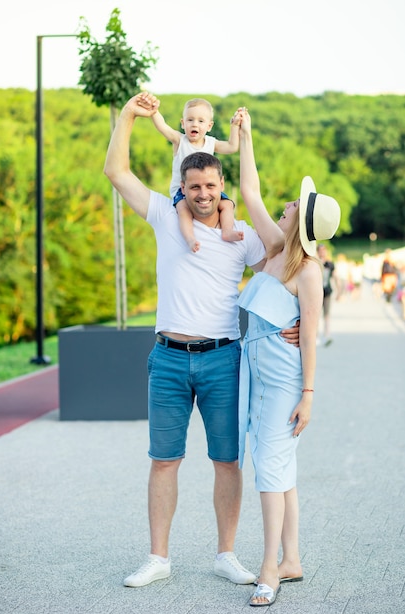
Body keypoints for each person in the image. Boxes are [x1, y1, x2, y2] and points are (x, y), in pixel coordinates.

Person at [103, 93, 300, 588]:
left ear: (221, 186)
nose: (203, 193)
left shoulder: (243, 239)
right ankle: (158, 558)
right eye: (194, 186)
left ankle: (226, 554)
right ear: (183, 188)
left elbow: (288, 262)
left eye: (211, 185)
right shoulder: (166, 219)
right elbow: (116, 173)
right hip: (168, 358)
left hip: (223, 360)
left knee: (227, 461)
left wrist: (298, 322)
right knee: (164, 460)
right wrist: (127, 116)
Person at [236, 109, 340, 607]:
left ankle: (270, 568)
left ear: (302, 219)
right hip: (257, 374)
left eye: (295, 202)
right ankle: (292, 558)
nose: (286, 201)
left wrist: (309, 397)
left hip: (283, 381)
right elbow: (250, 192)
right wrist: (248, 136)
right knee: (280, 471)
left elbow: (312, 336)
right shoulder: (276, 248)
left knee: (270, 473)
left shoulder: (308, 272)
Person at [146, 95, 244, 252]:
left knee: (227, 204)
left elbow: (232, 147)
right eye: (190, 120)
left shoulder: (211, 143)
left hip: (206, 189)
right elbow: (163, 127)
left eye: (200, 121)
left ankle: (227, 231)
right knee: (183, 209)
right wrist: (153, 111)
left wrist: (234, 126)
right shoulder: (180, 140)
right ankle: (190, 238)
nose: (195, 124)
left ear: (209, 126)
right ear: (183, 123)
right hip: (182, 191)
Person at [317, 243, 335, 346]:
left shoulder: (329, 264)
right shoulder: (315, 263)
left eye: (324, 250)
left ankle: (327, 335)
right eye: (321, 250)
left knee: (327, 315)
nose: (322, 252)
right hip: (316, 292)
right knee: (317, 315)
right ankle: (316, 336)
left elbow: (334, 276)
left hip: (327, 291)